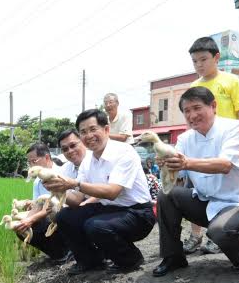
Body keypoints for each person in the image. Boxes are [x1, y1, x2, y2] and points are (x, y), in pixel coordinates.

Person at [152, 87, 239, 276]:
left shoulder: (233, 127)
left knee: (219, 231)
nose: (192, 115)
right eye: (187, 111)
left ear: (213, 106)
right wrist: (167, 164)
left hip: (235, 203)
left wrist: (186, 163)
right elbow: (178, 172)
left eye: (197, 108)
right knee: (167, 195)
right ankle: (173, 256)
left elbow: (225, 165)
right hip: (204, 201)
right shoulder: (185, 138)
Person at [45, 109, 156, 274]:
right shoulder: (88, 160)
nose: (88, 135)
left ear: (106, 129)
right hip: (109, 209)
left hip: (138, 213)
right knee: (65, 217)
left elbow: (113, 192)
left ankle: (130, 259)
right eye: (83, 132)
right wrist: (59, 190)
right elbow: (76, 200)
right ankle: (90, 261)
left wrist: (74, 183)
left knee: (95, 226)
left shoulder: (124, 152)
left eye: (92, 129)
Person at [185, 36, 239, 256]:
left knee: (228, 190)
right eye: (195, 62)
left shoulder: (231, 81)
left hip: (227, 145)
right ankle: (195, 235)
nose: (199, 65)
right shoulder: (194, 86)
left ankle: (223, 232)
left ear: (217, 57)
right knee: (195, 189)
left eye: (203, 59)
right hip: (201, 146)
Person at [12, 143, 68, 264]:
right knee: (21, 228)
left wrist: (30, 219)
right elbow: (38, 204)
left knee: (41, 223)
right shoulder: (38, 180)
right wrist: (26, 218)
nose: (31, 165)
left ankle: (66, 252)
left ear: (47, 158)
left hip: (62, 215)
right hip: (47, 213)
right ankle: (56, 254)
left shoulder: (60, 173)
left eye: (34, 161)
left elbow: (50, 207)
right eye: (29, 162)